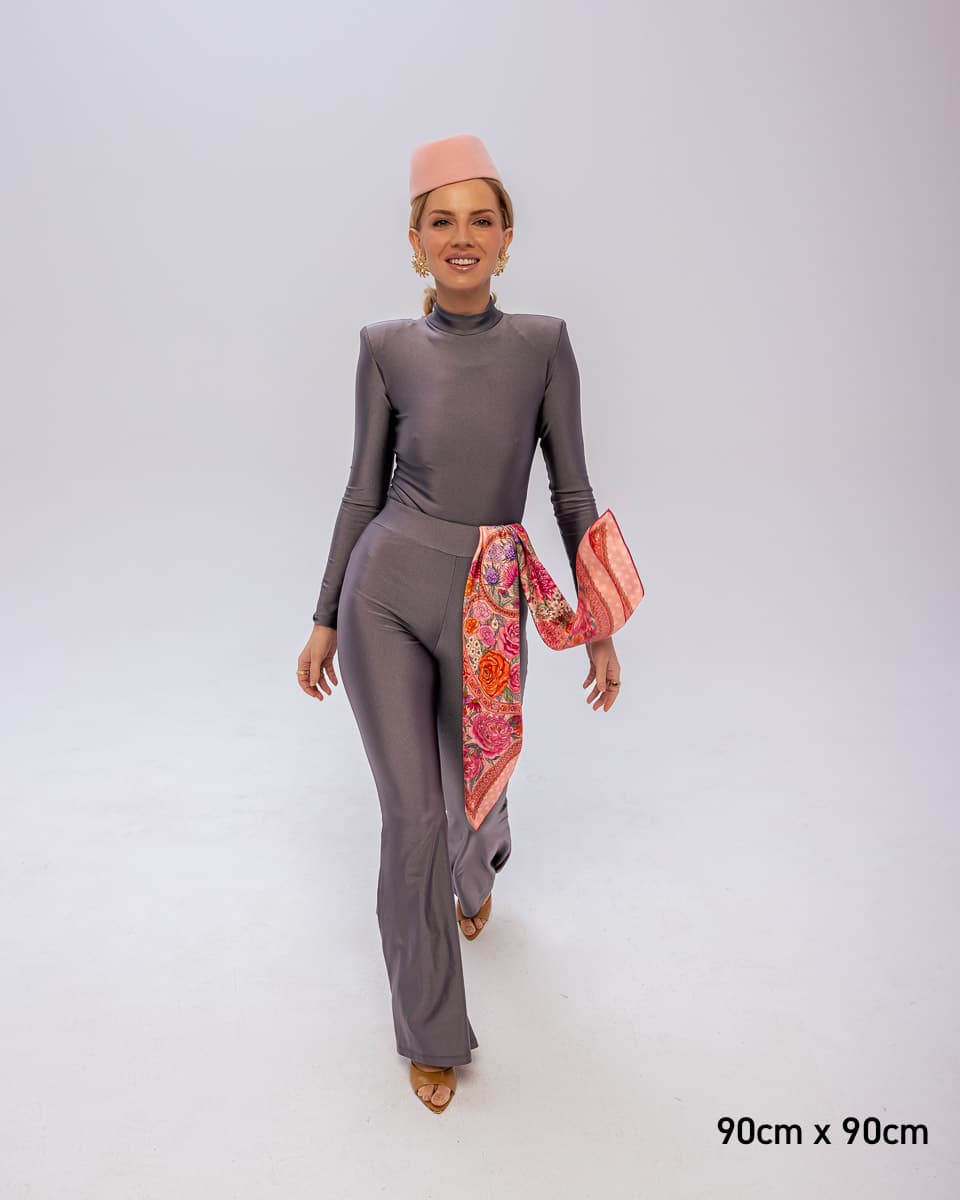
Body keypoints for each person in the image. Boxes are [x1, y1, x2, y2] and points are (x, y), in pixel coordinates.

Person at [296, 134, 624, 1114]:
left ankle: (477, 880)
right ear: (415, 242)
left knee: (475, 796)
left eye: (481, 219)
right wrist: (324, 615)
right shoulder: (385, 348)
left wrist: (599, 620)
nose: (462, 236)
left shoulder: (543, 345)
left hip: (491, 600)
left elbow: (571, 491)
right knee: (415, 818)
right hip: (385, 593)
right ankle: (431, 1031)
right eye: (442, 221)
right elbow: (362, 492)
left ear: (507, 238)